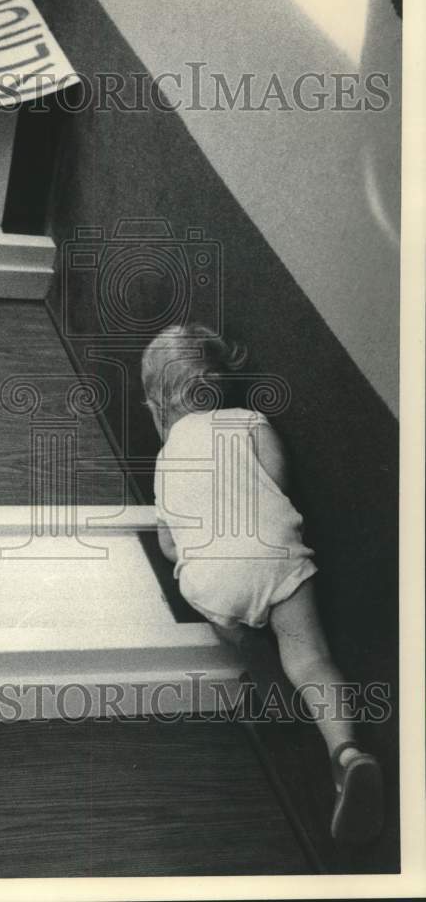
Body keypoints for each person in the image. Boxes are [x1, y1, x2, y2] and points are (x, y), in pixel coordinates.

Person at [142, 323, 384, 846]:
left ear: (156, 407)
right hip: (275, 555)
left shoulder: (164, 461)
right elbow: (277, 477)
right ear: (222, 385)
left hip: (212, 576)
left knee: (227, 618)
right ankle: (346, 752)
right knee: (312, 657)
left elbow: (169, 546)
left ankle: (264, 674)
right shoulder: (248, 419)